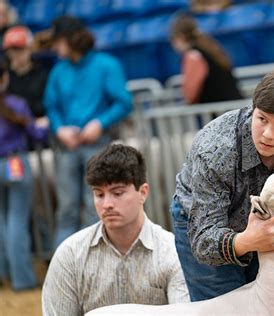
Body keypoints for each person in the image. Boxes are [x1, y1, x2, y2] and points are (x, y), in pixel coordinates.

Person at [171, 68, 274, 301]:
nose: (267, 134)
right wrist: (247, 241)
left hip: (268, 230)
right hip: (200, 220)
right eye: (262, 119)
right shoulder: (215, 149)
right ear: (252, 109)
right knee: (225, 307)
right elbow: (203, 241)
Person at [42, 144, 190, 315]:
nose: (107, 205)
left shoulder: (171, 252)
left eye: (118, 193)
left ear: (143, 192)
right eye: (99, 194)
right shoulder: (70, 254)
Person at [43, 16, 132, 248]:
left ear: (71, 40)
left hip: (98, 144)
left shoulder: (106, 65)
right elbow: (51, 106)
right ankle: (63, 267)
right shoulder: (58, 71)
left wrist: (99, 123)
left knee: (98, 206)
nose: (54, 47)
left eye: (58, 41)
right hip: (67, 146)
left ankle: (95, 262)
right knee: (66, 208)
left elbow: (123, 102)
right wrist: (59, 128)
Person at [0, 58, 48, 291]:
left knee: (2, 221)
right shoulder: (15, 104)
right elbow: (36, 134)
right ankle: (23, 279)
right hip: (14, 162)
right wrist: (45, 126)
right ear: (5, 78)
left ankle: (4, 273)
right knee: (17, 220)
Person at [170, 13, 242, 105]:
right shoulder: (211, 48)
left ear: (181, 37)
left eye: (173, 40)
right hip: (232, 107)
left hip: (218, 111)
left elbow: (191, 92)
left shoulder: (193, 55)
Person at [3, 25, 49, 124]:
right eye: (12, 50)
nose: (16, 54)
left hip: (36, 123)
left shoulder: (42, 75)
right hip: (8, 124)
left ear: (30, 48)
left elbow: (47, 105)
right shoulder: (3, 75)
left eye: (20, 49)